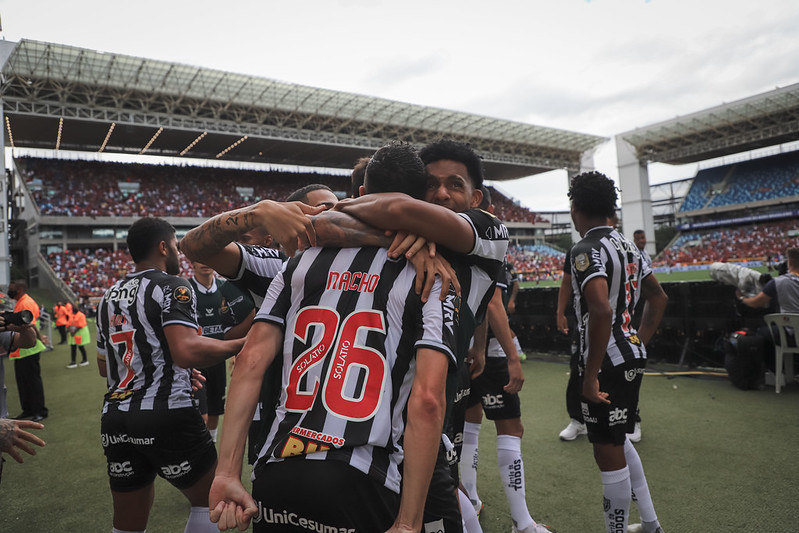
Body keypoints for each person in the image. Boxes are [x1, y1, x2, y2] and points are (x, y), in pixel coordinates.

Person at [209, 142, 457, 533]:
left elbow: (250, 361)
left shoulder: (301, 261)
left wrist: (226, 471)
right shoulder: (430, 273)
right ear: (423, 204)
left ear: (360, 194)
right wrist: (409, 523)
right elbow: (427, 401)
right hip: (362, 478)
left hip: (278, 472)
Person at [336, 139, 516, 532]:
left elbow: (395, 209)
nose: (441, 194)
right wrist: (394, 235)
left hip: (418, 439)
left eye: (455, 184)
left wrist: (384, 220)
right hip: (358, 435)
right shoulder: (401, 238)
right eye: (431, 185)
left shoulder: (490, 232)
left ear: (476, 197)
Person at [96, 217, 246, 533]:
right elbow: (187, 351)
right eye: (177, 246)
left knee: (127, 524)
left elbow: (104, 367)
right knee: (211, 502)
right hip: (165, 412)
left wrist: (166, 366)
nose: (180, 253)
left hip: (115, 417)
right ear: (164, 247)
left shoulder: (107, 297)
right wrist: (246, 343)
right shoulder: (172, 285)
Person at [568, 171, 668, 533]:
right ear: (611, 208)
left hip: (606, 361)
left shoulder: (584, 250)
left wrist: (591, 374)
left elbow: (601, 310)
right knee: (619, 439)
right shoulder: (630, 246)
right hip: (629, 354)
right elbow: (658, 298)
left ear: (575, 209)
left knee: (607, 451)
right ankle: (652, 524)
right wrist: (637, 340)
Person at [459, 187, 545, 533]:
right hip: (488, 352)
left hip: (456, 350)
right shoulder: (486, 243)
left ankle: (472, 499)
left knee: (469, 425)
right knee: (510, 428)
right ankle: (521, 522)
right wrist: (513, 356)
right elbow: (492, 304)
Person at [187, 261, 249, 442]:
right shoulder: (185, 290)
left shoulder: (225, 289)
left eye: (209, 257)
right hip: (195, 362)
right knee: (201, 415)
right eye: (200, 258)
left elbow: (239, 322)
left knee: (215, 412)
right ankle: (201, 451)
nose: (205, 263)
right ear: (191, 262)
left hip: (218, 360)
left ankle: (210, 447)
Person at [7, 280, 49, 422]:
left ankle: (40, 411)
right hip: (22, 350)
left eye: (11, 288)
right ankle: (28, 409)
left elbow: (30, 325)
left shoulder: (25, 303)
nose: (9, 290)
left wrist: (39, 337)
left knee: (32, 381)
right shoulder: (21, 302)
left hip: (29, 349)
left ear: (19, 289)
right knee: (23, 381)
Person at [66, 303, 91, 368]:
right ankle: (73, 362)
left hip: (79, 333)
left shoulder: (81, 315)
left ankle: (85, 360)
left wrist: (74, 331)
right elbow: (68, 323)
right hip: (73, 333)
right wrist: (69, 329)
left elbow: (81, 325)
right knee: (73, 347)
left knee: (80, 346)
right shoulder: (71, 315)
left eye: (76, 307)